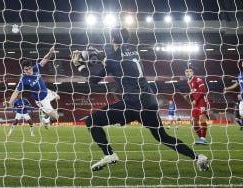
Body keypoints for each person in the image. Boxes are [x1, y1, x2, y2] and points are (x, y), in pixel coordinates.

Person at [70, 28, 209, 172]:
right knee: (163, 137)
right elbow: (119, 60)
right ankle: (198, 157)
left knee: (92, 121)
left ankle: (109, 155)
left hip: (132, 104)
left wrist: (80, 65)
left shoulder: (112, 58)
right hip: (149, 101)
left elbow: (93, 80)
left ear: (112, 39)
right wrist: (99, 56)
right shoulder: (134, 51)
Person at [4, 47, 60, 127]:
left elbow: (44, 60)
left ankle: (46, 120)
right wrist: (9, 102)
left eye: (29, 68)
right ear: (23, 70)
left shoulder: (36, 68)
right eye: (26, 70)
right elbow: (16, 92)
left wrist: (50, 52)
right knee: (56, 117)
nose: (28, 71)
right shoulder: (23, 80)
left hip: (47, 92)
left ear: (31, 67)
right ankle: (46, 119)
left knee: (58, 97)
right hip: (41, 100)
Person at [184, 66, 211, 144]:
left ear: (193, 72)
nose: (188, 73)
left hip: (202, 100)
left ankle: (203, 138)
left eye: (190, 71)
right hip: (196, 102)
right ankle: (200, 138)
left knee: (202, 117)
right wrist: (188, 95)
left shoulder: (198, 79)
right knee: (193, 121)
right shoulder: (189, 81)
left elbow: (203, 91)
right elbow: (194, 91)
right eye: (186, 71)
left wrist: (196, 100)